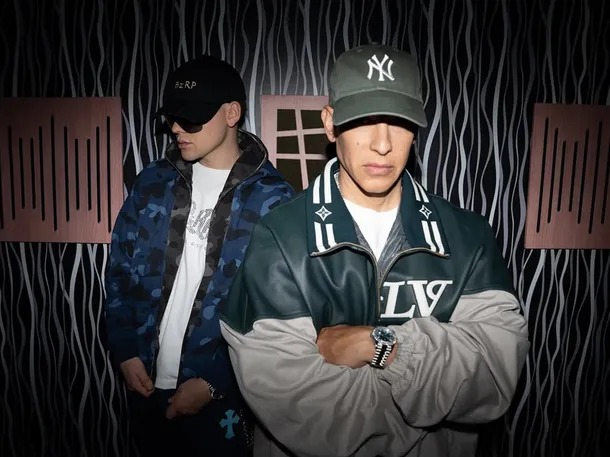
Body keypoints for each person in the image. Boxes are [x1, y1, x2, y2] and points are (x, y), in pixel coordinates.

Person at [219, 44, 530, 456]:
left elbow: (492, 376)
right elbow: (297, 406)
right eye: (363, 119)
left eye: (399, 121)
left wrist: (384, 346)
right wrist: (431, 413)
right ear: (330, 124)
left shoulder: (468, 237)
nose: (382, 144)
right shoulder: (279, 237)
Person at [104, 55, 294, 456]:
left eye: (191, 118)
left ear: (231, 113)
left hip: (222, 400)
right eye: (174, 116)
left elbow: (274, 310)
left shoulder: (274, 199)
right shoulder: (152, 182)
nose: (176, 128)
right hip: (144, 384)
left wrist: (215, 381)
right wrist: (125, 349)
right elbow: (120, 270)